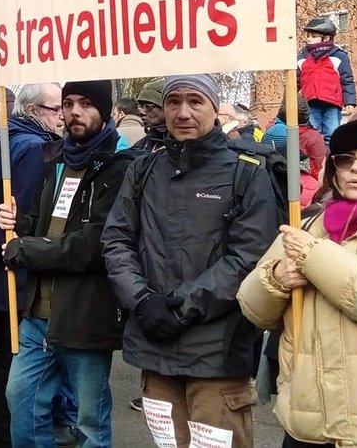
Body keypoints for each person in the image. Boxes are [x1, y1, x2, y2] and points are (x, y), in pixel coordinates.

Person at [102, 74, 277, 448]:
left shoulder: (246, 172)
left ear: (215, 109)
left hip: (216, 355)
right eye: (173, 102)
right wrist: (142, 300)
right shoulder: (143, 170)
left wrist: (182, 308)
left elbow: (248, 257)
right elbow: (117, 240)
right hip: (155, 348)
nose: (183, 112)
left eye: (195, 101)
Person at [237, 118, 357, 447]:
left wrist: (315, 259)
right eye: (345, 159)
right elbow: (251, 307)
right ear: (334, 170)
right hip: (306, 426)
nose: (356, 168)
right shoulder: (308, 227)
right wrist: (276, 280)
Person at [0, 80, 134, 448]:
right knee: (22, 401)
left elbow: (92, 245)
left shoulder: (121, 168)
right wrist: (19, 224)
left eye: (87, 104)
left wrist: (25, 249)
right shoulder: (55, 160)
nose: (75, 111)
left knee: (89, 419)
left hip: (84, 314)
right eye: (69, 103)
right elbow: (49, 226)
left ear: (104, 111)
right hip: (36, 315)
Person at [0, 82, 63, 448]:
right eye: (57, 108)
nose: (63, 116)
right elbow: (15, 213)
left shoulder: (7, 145)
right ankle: (5, 434)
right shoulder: (35, 149)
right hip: (16, 268)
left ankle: (1, 431)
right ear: (35, 110)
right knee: (17, 357)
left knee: (11, 355)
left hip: (0, 261)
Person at [297, 17, 355, 142]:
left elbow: (347, 79)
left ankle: (330, 159)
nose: (309, 38)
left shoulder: (339, 56)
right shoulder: (302, 57)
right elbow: (296, 81)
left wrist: (349, 101)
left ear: (326, 38)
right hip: (310, 102)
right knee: (312, 135)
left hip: (332, 102)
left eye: (313, 36)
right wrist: (290, 102)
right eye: (308, 36)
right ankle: (316, 160)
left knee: (332, 133)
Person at [131, 78, 166, 154]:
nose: (142, 112)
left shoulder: (186, 144)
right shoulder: (141, 145)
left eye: (148, 106)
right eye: (141, 106)